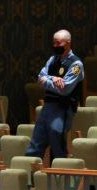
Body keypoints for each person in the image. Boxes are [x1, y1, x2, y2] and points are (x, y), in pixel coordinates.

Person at [27, 29, 85, 160]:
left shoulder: (76, 64)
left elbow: (64, 89)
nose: (55, 46)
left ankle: (61, 177)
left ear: (68, 43)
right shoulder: (52, 59)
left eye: (58, 43)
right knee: (35, 143)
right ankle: (31, 176)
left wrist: (47, 80)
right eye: (54, 43)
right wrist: (53, 79)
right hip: (48, 106)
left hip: (63, 108)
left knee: (57, 144)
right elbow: (40, 78)